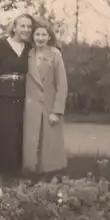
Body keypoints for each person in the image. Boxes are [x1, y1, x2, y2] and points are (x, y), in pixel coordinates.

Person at [0, 13, 34, 196]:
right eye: (22, 26)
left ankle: (18, 187)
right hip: (0, 100)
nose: (26, 30)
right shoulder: (0, 46)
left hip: (21, 100)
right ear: (14, 26)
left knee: (18, 141)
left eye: (29, 27)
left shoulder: (30, 49)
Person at [23, 18, 68, 174]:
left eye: (44, 35)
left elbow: (62, 85)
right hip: (30, 107)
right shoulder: (27, 54)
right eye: (37, 34)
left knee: (49, 147)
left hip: (49, 107)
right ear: (33, 37)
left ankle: (50, 178)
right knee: (31, 144)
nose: (40, 38)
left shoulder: (55, 55)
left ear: (49, 37)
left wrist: (57, 111)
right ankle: (30, 175)